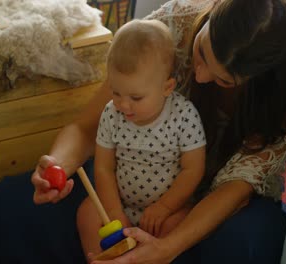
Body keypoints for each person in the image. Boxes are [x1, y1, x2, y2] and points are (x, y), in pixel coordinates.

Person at [0, 0, 286, 263]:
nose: (201, 76)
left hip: (217, 201)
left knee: (244, 247)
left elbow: (235, 191)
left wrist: (165, 248)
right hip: (127, 181)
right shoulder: (167, 30)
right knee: (10, 208)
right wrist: (57, 167)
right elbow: (88, 129)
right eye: (202, 52)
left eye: (224, 80)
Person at [77, 19, 206, 258]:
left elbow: (193, 169)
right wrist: (115, 211)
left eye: (136, 97)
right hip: (120, 205)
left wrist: (165, 207)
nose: (123, 104)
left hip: (166, 210)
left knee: (179, 225)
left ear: (167, 88)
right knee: (87, 213)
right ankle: (102, 258)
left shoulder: (184, 115)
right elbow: (104, 167)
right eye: (116, 92)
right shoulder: (111, 113)